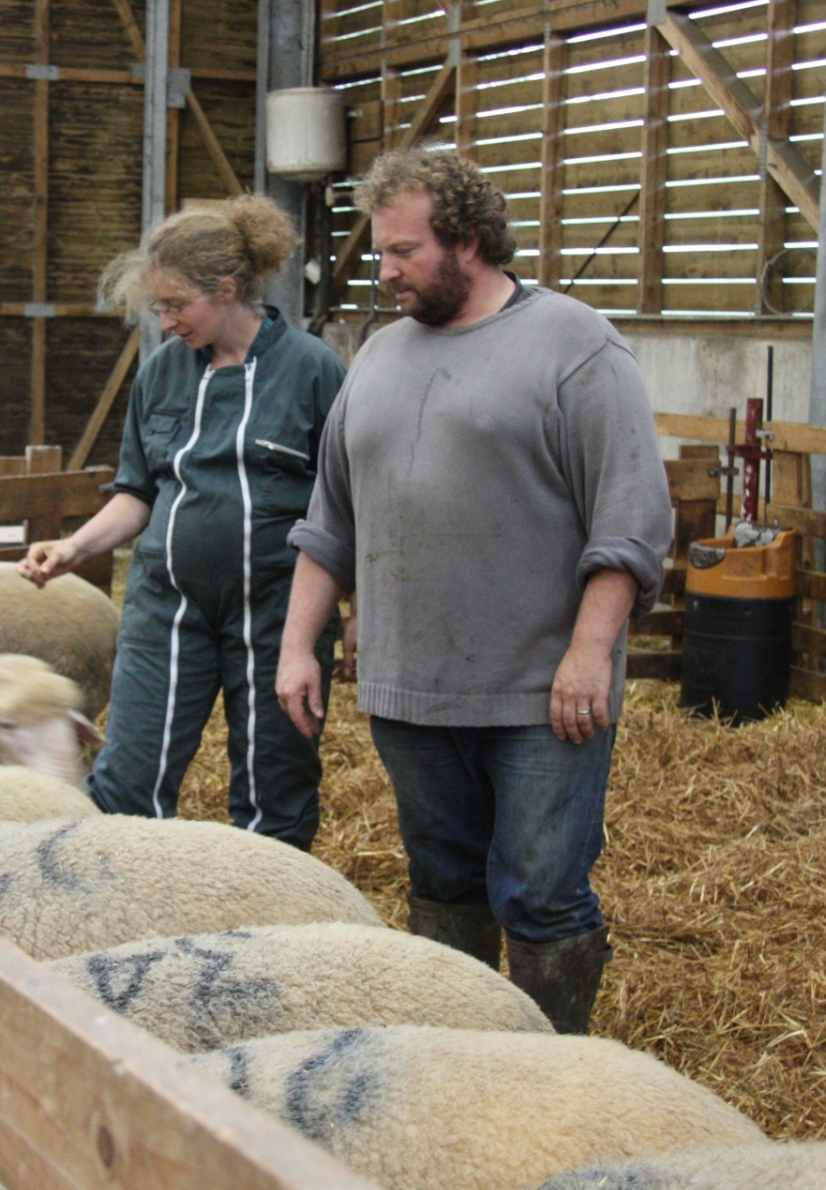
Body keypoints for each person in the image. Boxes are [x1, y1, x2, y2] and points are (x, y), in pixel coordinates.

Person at [274, 147, 672, 1033]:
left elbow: (631, 518)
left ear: (467, 242)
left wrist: (589, 654)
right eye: (380, 253)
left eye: (403, 253)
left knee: (538, 892)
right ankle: (457, 1065)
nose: (385, 274)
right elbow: (329, 520)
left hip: (540, 695)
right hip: (410, 689)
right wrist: (299, 645)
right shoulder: (377, 356)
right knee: (442, 882)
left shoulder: (573, 345)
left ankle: (551, 1069)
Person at [19, 196, 348, 850]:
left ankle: (268, 924)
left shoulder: (311, 371)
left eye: (175, 305)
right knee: (127, 780)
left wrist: (349, 610)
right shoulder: (164, 373)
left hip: (277, 613)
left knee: (273, 790)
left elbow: (342, 503)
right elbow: (137, 492)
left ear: (226, 290)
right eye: (158, 307)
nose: (166, 322)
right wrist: (74, 545)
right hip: (167, 606)